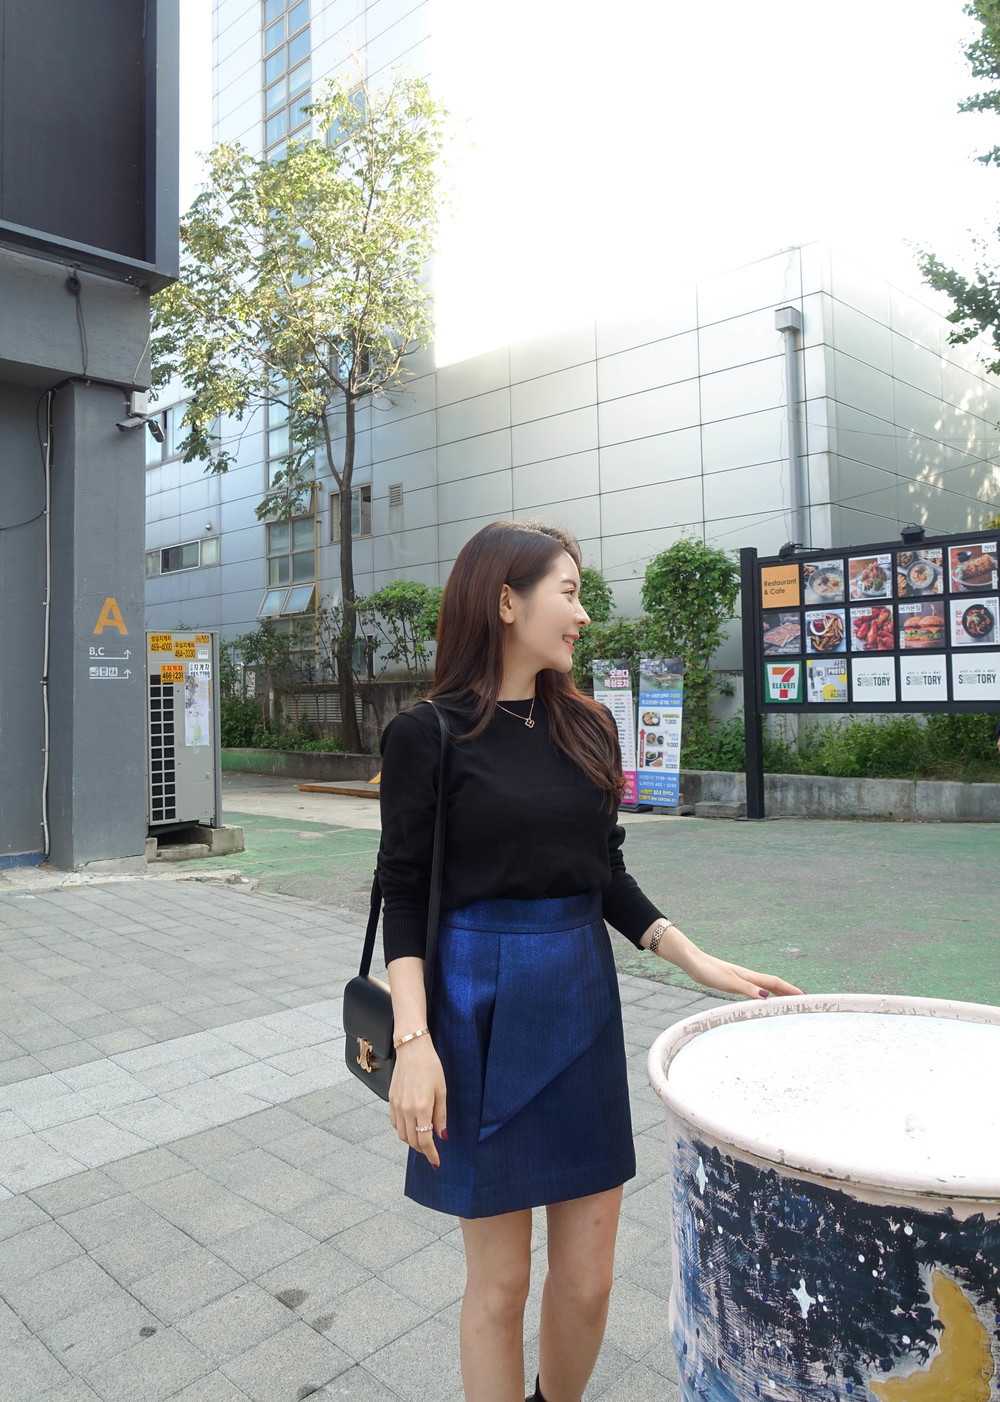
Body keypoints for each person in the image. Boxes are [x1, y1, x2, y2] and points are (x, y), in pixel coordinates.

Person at [377, 520, 803, 1402]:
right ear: (505, 601)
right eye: (568, 593)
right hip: (472, 1011)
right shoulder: (426, 734)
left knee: (588, 1281)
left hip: (580, 1001)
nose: (582, 615)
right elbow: (406, 896)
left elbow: (604, 871)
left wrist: (697, 960)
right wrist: (412, 1043)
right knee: (501, 1284)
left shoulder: (589, 725)